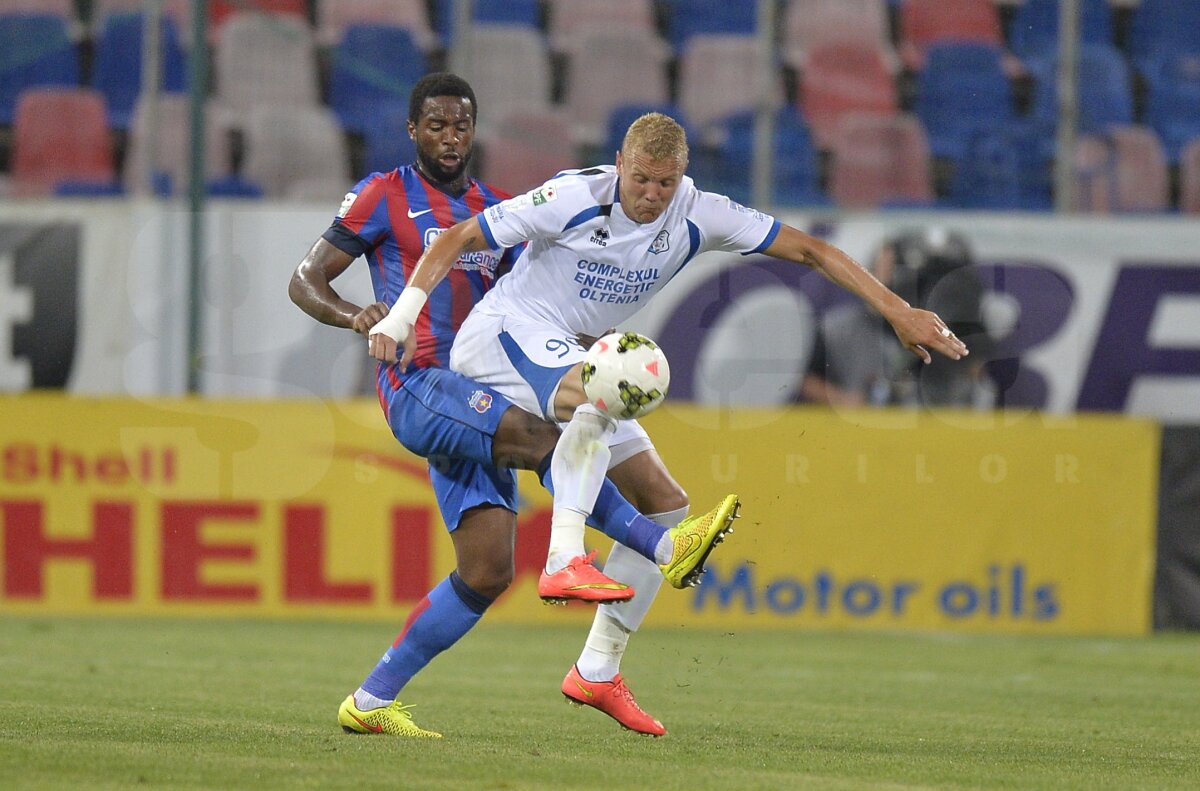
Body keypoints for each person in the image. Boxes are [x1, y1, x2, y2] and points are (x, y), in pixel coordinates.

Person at [366, 114, 971, 734]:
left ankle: (598, 670)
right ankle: (565, 556)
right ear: (621, 164)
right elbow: (459, 236)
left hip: (575, 352)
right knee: (602, 390)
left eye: (667, 182)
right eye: (643, 179)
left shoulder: (700, 212)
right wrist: (401, 318)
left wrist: (898, 311)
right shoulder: (576, 194)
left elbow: (812, 249)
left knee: (665, 501)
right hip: (503, 335)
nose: (653, 194)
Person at [289, 76, 734, 739]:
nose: (450, 137)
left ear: (475, 131)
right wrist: (359, 316)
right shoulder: (384, 195)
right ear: (413, 131)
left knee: (489, 567)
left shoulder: (497, 208)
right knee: (543, 442)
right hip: (420, 383)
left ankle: (369, 697)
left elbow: (530, 298)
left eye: (461, 125)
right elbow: (304, 280)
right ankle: (665, 543)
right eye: (436, 125)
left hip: (483, 390)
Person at [800, 227, 994, 408]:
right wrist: (845, 400)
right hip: (864, 429)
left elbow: (980, 379)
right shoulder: (838, 326)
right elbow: (807, 379)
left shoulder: (954, 327)